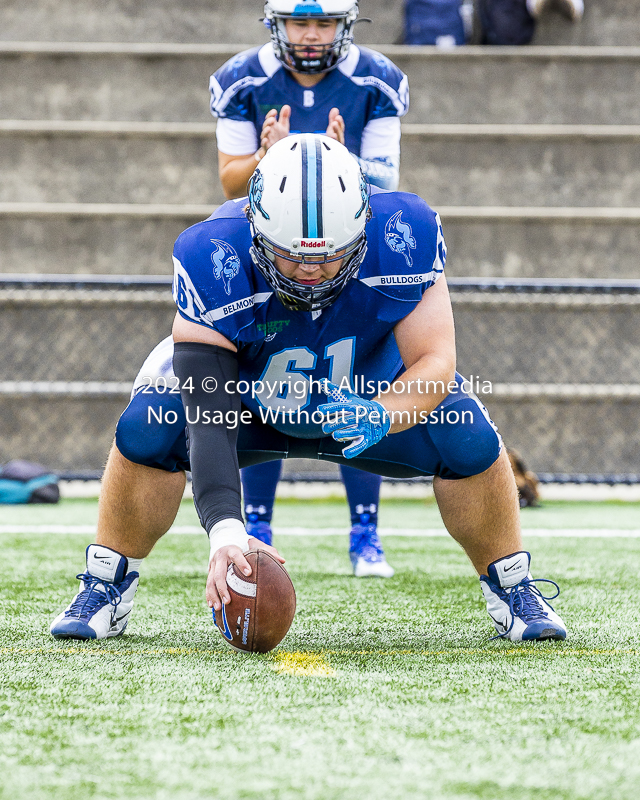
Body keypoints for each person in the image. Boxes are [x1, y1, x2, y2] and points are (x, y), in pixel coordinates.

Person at [50, 134, 567, 644]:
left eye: (329, 257)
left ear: (363, 230)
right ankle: (107, 581)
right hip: (249, 410)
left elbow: (435, 362)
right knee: (150, 424)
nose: (311, 272)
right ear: (255, 231)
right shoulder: (213, 254)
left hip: (363, 404)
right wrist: (226, 531)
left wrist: (383, 413)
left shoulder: (404, 233)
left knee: (469, 432)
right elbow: (209, 415)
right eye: (292, 255)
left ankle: (511, 585)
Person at [209, 0, 410, 577]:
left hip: (349, 250)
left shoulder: (376, 80)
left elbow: (386, 178)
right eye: (302, 22)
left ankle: (366, 532)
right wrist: (269, 156)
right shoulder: (242, 78)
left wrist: (335, 159)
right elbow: (228, 176)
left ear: (344, 26)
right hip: (266, 250)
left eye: (324, 23)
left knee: (359, 384)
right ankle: (258, 523)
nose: (313, 35)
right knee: (263, 381)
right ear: (278, 24)